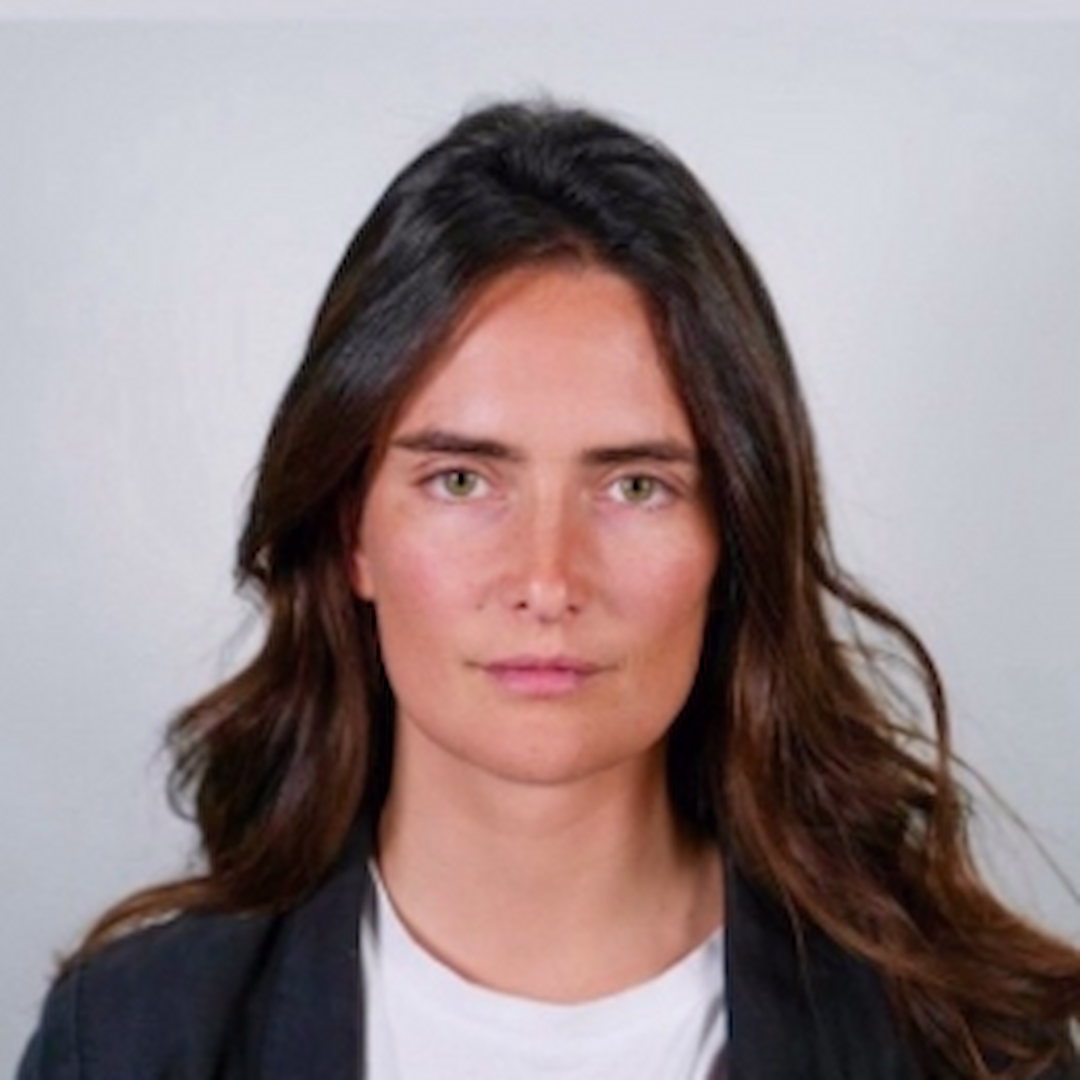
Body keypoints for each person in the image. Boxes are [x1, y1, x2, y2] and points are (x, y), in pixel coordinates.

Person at [17, 99, 1080, 1080]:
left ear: (735, 539)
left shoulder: (968, 1050)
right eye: (462, 480)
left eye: (635, 486)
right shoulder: (128, 1043)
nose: (546, 579)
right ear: (352, 533)